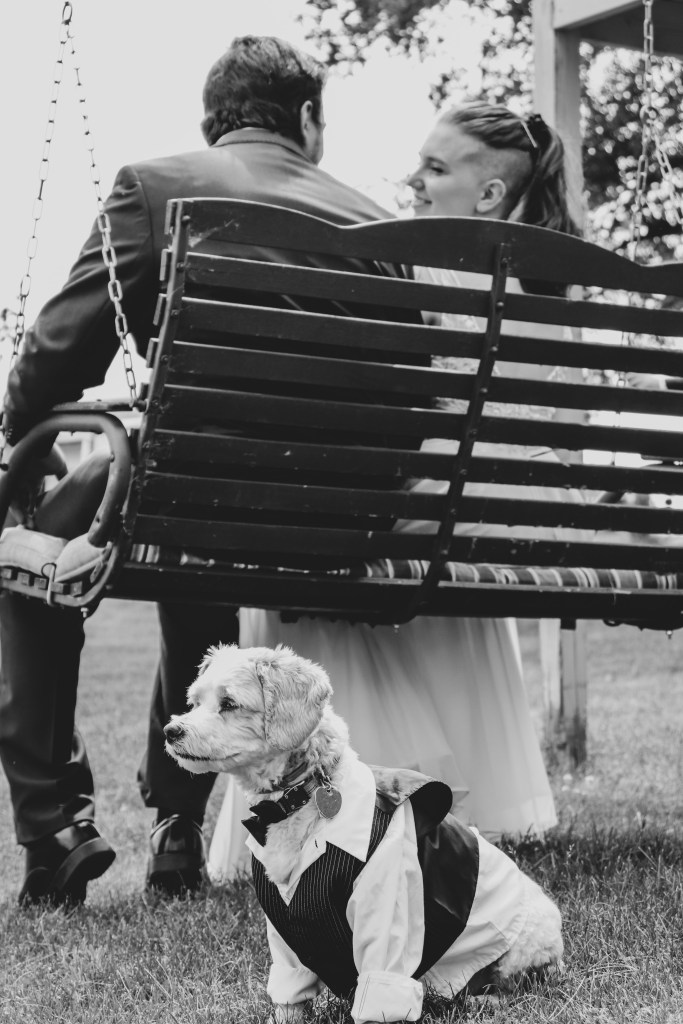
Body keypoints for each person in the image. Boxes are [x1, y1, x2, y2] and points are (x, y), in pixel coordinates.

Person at [0, 35, 421, 906]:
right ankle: (175, 827)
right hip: (339, 521)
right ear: (306, 117)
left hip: (189, 491)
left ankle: (55, 825)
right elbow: (409, 397)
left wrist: (20, 447)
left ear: (212, 121)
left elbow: (54, 357)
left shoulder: (153, 188)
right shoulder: (378, 225)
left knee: (26, 559)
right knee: (191, 551)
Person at [208, 102, 583, 883]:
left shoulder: (420, 269)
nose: (413, 180)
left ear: (488, 194)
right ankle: (439, 796)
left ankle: (335, 810)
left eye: (435, 168)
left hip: (423, 520)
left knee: (320, 520)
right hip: (501, 525)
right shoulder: (554, 285)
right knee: (400, 505)